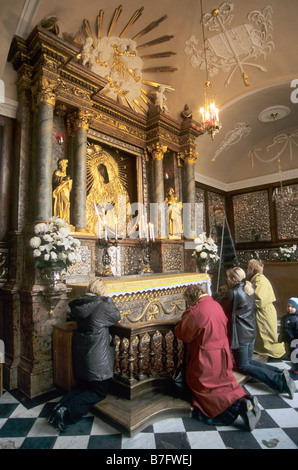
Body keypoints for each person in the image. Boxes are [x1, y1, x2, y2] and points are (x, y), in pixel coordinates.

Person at [175, 284, 261, 431]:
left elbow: (183, 333)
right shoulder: (215, 304)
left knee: (208, 389)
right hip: (222, 352)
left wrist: (184, 317)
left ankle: (238, 406)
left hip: (206, 356)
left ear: (191, 297)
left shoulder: (197, 310)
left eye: (187, 301)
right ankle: (244, 399)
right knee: (226, 383)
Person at [48, 277, 121, 431]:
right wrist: (108, 300)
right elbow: (116, 316)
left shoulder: (81, 303)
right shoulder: (102, 305)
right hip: (96, 355)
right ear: (101, 291)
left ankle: (58, 408)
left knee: (83, 387)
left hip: (83, 353)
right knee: (99, 392)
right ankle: (67, 413)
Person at [217, 267, 296, 400]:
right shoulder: (248, 287)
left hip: (240, 334)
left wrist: (221, 295)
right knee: (248, 362)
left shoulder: (233, 292)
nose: (226, 280)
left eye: (228, 277)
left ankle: (279, 381)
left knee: (243, 365)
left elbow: (220, 308)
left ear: (233, 279)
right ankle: (280, 373)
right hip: (250, 331)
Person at [247, 259, 286, 359]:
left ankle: (278, 354)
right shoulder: (257, 278)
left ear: (252, 269)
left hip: (264, 312)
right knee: (263, 336)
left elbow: (260, 300)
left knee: (267, 336)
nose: (247, 270)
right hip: (263, 311)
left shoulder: (260, 280)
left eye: (248, 268)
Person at [278, 298, 298, 380]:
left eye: (292, 307)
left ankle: (297, 372)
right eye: (288, 306)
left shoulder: (296, 319)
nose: (290, 308)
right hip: (288, 341)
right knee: (290, 355)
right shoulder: (285, 317)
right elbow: (283, 329)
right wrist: (281, 336)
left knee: (295, 357)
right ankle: (293, 369)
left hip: (295, 341)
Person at [52, 158, 72, 223]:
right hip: (60, 191)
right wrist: (64, 179)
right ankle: (61, 219)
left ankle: (65, 220)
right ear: (61, 165)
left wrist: (68, 181)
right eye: (65, 164)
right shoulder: (58, 172)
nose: (66, 166)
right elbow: (55, 180)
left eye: (66, 164)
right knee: (65, 203)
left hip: (66, 191)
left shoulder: (65, 174)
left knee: (67, 204)